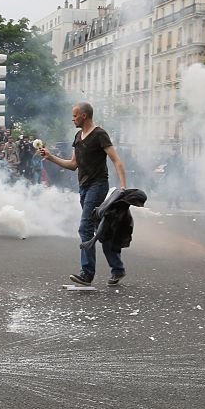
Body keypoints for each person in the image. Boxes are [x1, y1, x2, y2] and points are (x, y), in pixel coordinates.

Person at [39, 102, 128, 286]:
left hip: (98, 185)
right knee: (100, 230)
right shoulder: (78, 136)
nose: (72, 119)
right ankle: (117, 269)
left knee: (84, 227)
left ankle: (87, 273)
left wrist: (124, 188)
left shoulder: (99, 134)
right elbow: (73, 165)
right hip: (84, 187)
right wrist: (50, 157)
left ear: (84, 116)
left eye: (75, 115)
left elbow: (117, 161)